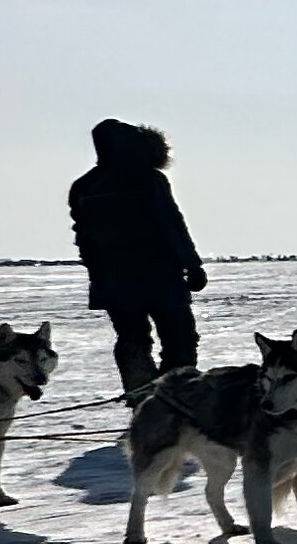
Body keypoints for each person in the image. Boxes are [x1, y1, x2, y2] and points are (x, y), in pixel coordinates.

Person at [68, 119, 207, 404]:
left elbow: (83, 238)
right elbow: (171, 223)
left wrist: (97, 274)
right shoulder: (149, 179)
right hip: (160, 276)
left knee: (133, 341)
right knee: (179, 339)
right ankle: (176, 398)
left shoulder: (84, 186)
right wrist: (192, 265)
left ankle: (142, 399)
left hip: (114, 281)